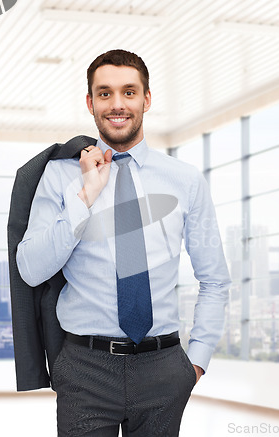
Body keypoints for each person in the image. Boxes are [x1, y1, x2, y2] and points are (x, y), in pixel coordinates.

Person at [15, 49, 231, 437]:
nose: (117, 104)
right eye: (105, 93)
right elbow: (31, 269)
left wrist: (195, 363)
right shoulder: (60, 176)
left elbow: (214, 279)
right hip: (85, 368)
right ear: (90, 102)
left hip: (164, 368)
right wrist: (84, 198)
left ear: (147, 99)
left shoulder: (185, 180)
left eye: (129, 92)